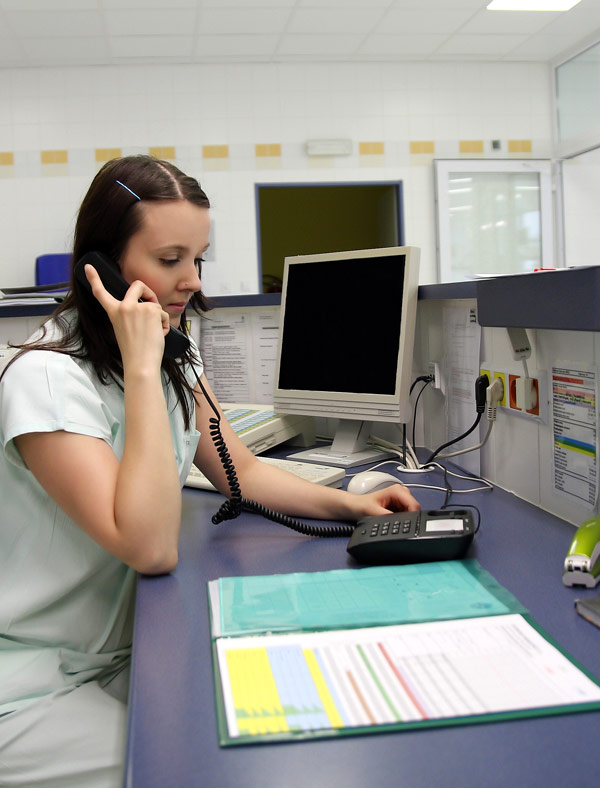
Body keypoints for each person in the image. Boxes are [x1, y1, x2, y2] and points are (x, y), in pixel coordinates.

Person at [0, 155, 419, 787]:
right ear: (103, 268)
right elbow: (150, 548)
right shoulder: (46, 379)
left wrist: (351, 505)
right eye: (170, 260)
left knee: (260, 729)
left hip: (120, 655)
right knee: (183, 770)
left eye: (198, 259)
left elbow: (240, 469)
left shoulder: (172, 357)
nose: (191, 280)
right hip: (31, 676)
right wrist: (144, 368)